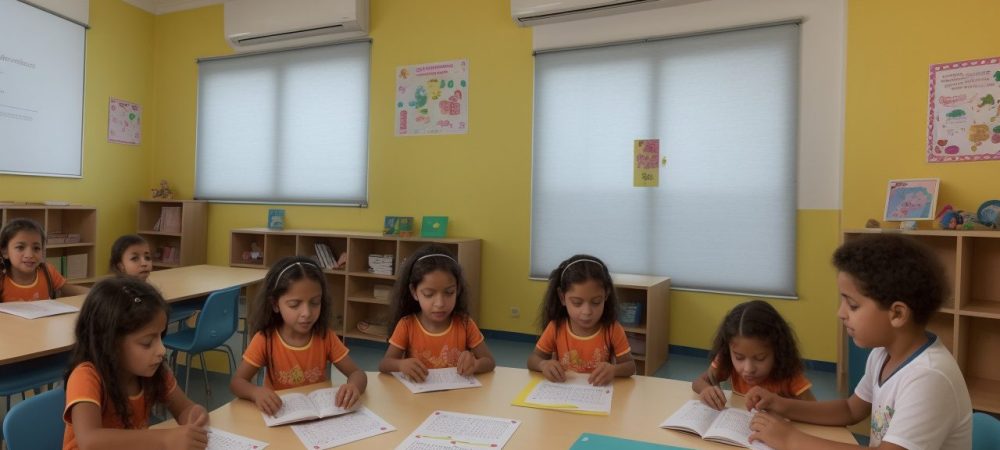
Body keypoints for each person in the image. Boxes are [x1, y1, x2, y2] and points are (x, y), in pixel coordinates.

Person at [747, 234, 972, 449]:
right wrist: (780, 404)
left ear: (897, 314)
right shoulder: (883, 354)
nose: (841, 313)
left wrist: (791, 440)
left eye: (852, 305)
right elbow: (850, 409)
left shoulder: (929, 376)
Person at [63, 276, 209, 450]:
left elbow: (184, 408)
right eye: (147, 343)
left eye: (161, 337)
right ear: (110, 343)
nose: (161, 350)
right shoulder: (86, 376)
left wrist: (194, 415)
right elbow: (90, 440)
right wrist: (164, 439)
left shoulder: (153, 372)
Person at [230, 256, 366, 415]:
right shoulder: (265, 339)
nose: (307, 313)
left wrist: (353, 387)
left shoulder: (325, 336)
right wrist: (256, 393)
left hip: (318, 418)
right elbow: (237, 382)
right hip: (281, 415)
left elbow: (358, 373)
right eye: (294, 305)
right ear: (275, 304)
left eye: (315, 303)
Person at [378, 244, 495, 381]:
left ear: (458, 289)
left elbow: (489, 362)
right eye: (428, 294)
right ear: (414, 292)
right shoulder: (406, 325)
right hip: (420, 399)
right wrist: (400, 365)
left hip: (458, 397)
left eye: (449, 292)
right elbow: (384, 364)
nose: (440, 303)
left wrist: (475, 364)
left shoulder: (465, 324)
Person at [526, 255, 634, 386]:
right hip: (565, 393)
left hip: (599, 394)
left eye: (596, 302)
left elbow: (630, 366)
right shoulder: (556, 327)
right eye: (577, 303)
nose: (587, 312)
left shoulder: (612, 329)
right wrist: (543, 364)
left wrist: (614, 370)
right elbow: (533, 360)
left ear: (606, 295)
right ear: (562, 297)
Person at [692, 300, 814, 410]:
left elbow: (813, 409)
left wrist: (783, 407)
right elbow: (699, 381)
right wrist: (706, 389)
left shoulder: (789, 375)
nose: (748, 369)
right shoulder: (727, 359)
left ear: (778, 351)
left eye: (760, 358)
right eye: (739, 358)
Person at [1, 218, 88, 301]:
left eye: (36, 248)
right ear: (5, 252)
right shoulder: (2, 278)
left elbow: (71, 289)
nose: (29, 255)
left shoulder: (48, 272)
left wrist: (98, 294)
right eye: (20, 247)